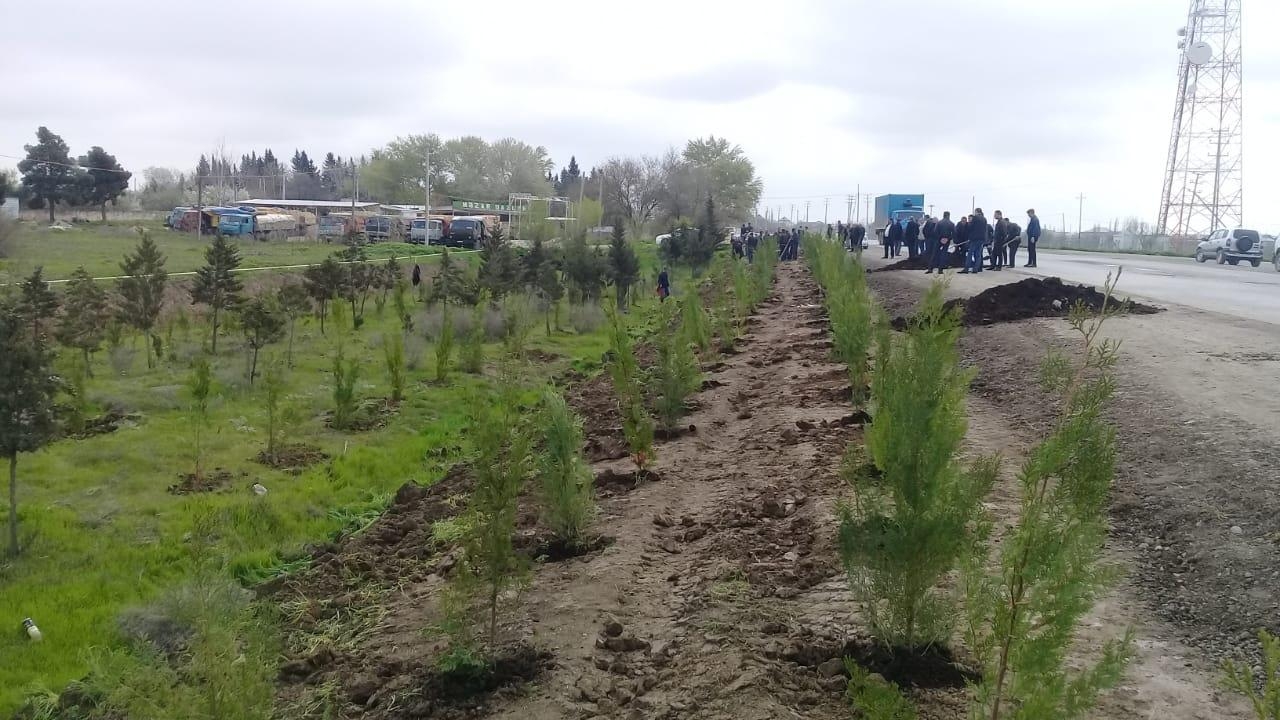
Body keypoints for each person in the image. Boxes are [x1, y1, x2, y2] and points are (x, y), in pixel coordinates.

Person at [962, 209, 988, 273]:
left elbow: (971, 228)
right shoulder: (984, 219)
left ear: (976, 212)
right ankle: (975, 269)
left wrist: (968, 224)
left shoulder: (975, 218)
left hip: (974, 238)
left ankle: (966, 269)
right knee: (978, 254)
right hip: (981, 239)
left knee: (970, 254)